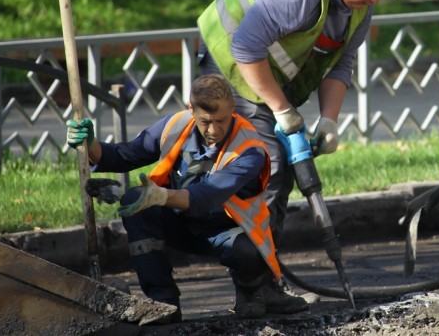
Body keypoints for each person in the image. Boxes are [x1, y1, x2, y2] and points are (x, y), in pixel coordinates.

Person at [196, 0, 411, 244]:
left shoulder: (359, 8)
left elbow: (340, 63)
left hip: (263, 65)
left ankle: (267, 269)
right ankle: (256, 281)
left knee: (283, 166)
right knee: (268, 164)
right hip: (229, 54)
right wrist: (282, 109)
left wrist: (329, 120)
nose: (374, 1)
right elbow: (245, 48)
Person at [65, 74, 308, 320]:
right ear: (191, 109)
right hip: (182, 224)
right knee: (134, 203)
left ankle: (254, 290)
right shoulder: (175, 126)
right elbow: (124, 155)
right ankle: (163, 303)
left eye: (221, 120)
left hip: (228, 233)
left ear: (233, 108)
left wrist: (161, 196)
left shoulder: (249, 149)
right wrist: (92, 144)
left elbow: (206, 196)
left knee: (247, 253)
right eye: (205, 121)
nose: (213, 130)